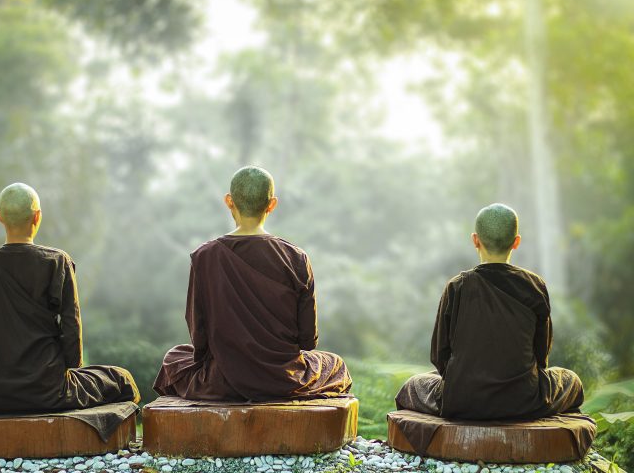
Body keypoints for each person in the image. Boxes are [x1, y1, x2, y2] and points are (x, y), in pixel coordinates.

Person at [153, 166, 352, 401]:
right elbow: (308, 340)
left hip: (223, 380)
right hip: (284, 379)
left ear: (229, 201)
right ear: (272, 204)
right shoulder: (296, 257)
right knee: (335, 365)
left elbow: (199, 336)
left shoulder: (204, 256)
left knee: (174, 358)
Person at [0, 183, 140, 413]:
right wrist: (70, 368)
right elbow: (71, 324)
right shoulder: (56, 261)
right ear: (37, 216)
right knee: (120, 378)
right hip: (46, 390)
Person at [395, 203, 584, 420]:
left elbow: (439, 355)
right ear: (516, 242)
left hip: (462, 399)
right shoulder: (535, 285)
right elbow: (541, 353)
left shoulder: (457, 286)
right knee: (571, 381)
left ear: (475, 239)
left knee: (414, 385)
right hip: (524, 400)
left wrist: (465, 382)